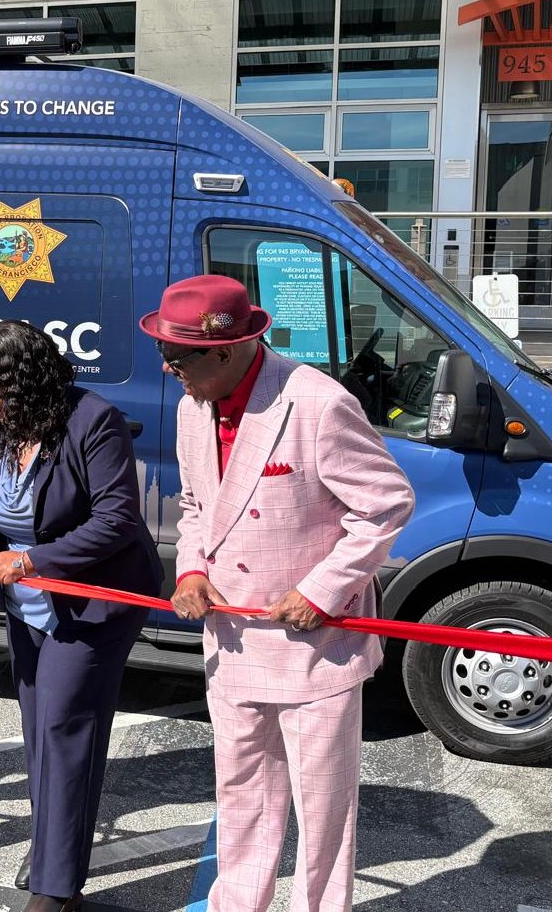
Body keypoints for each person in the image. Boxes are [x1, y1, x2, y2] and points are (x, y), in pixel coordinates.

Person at [141, 275, 415, 912]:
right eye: (164, 353)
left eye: (179, 358)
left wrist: (321, 591)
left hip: (314, 645)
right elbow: (195, 506)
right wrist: (191, 571)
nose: (168, 370)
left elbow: (385, 505)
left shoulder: (317, 402)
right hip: (233, 640)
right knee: (241, 796)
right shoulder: (191, 405)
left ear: (226, 350)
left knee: (323, 811)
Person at [0, 321, 162, 912]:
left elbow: (117, 520)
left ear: (26, 383)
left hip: (91, 604)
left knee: (65, 731)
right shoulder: (1, 425)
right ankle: (51, 849)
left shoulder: (93, 421)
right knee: (40, 733)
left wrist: (32, 559)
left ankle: (57, 888)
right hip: (26, 604)